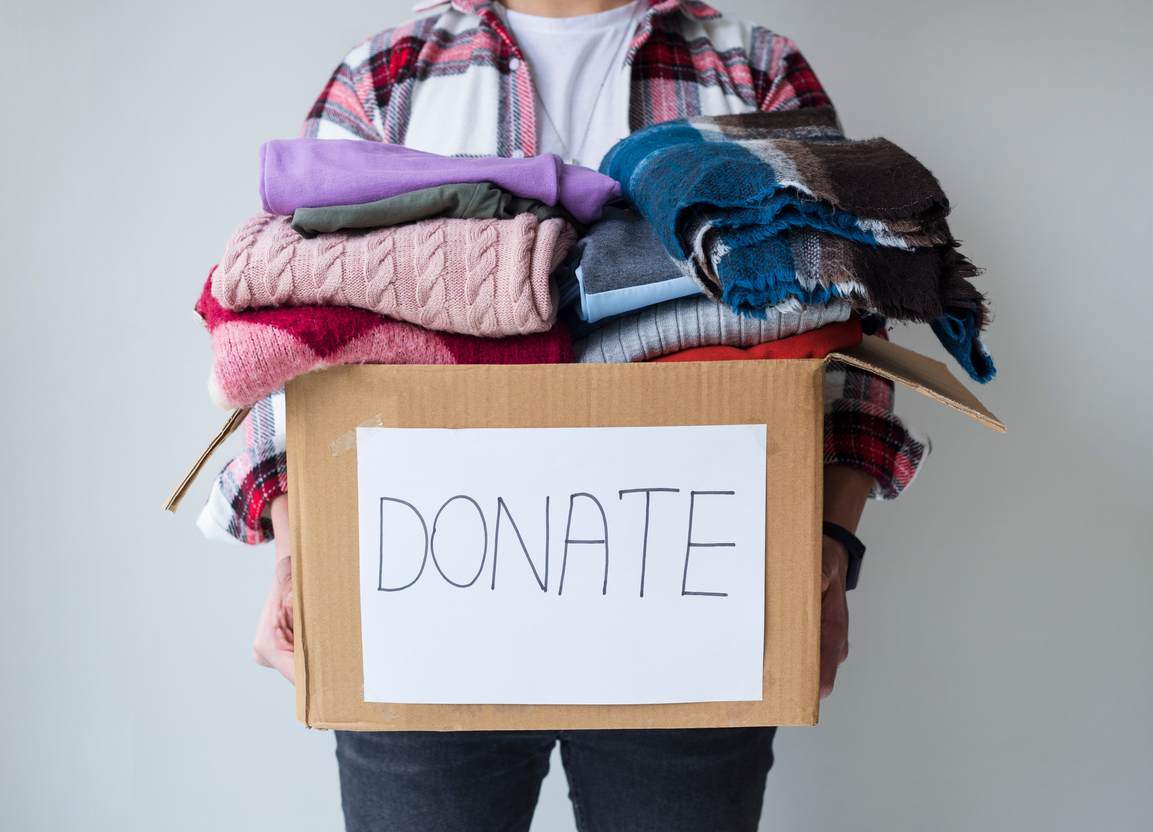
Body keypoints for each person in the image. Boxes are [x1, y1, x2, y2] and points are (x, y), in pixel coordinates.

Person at [201, 1, 929, 829]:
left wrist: (830, 544)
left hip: (691, 611)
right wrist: (301, 552)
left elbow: (846, 325)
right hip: (420, 605)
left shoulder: (754, 68)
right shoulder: (388, 75)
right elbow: (288, 323)